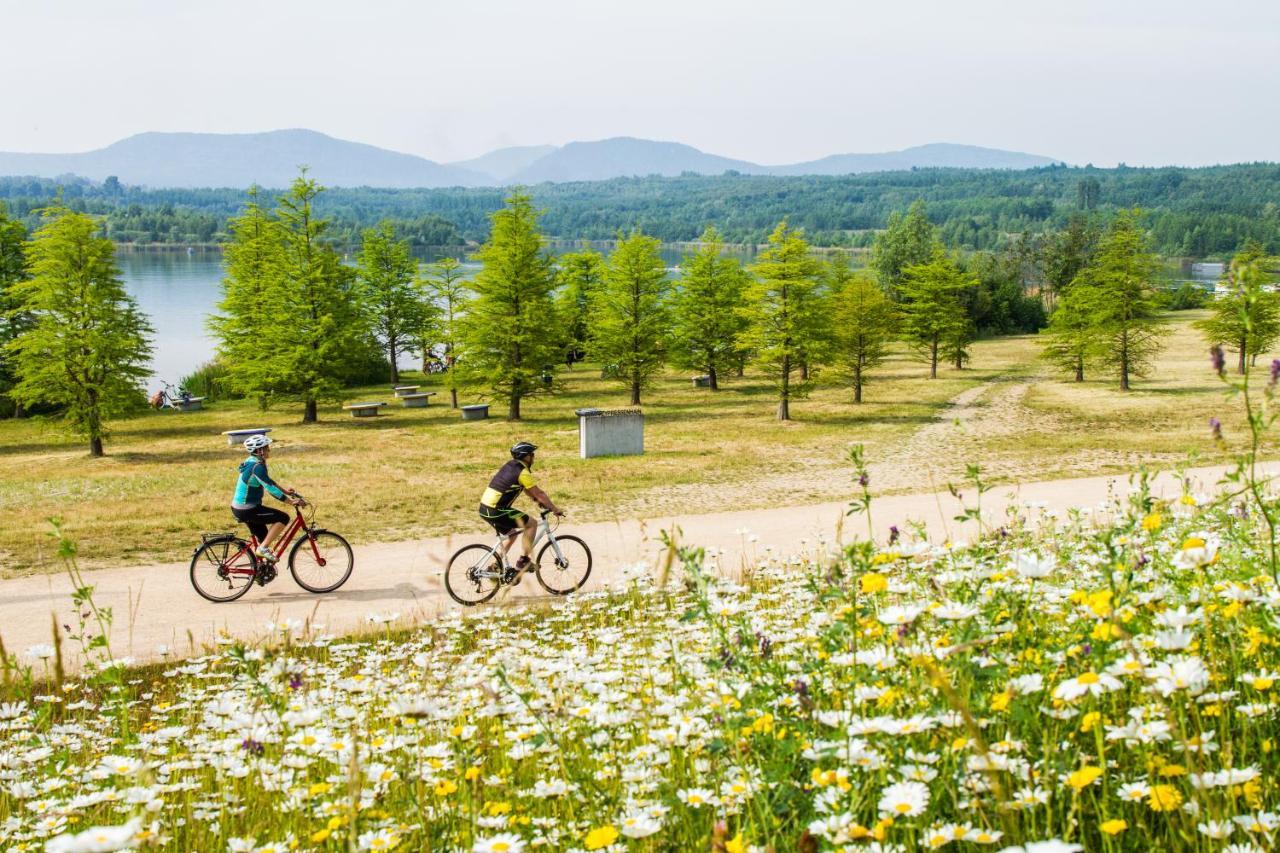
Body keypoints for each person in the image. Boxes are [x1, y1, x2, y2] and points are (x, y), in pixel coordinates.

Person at [479, 441, 563, 581]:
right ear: (526, 457)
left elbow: (527, 490)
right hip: (496, 510)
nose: (533, 457)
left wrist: (538, 502)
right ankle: (523, 560)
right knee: (532, 524)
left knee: (511, 535)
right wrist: (554, 509)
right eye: (532, 454)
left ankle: (495, 566)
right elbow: (539, 493)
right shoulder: (522, 472)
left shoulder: (510, 466)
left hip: (485, 508)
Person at [231, 435, 303, 561]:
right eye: (267, 448)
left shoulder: (253, 461)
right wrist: (290, 502)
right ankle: (262, 549)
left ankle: (259, 571)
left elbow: (268, 481)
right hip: (247, 509)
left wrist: (285, 491)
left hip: (242, 507)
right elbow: (270, 488)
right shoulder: (257, 467)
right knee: (283, 518)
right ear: (259, 451)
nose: (269, 450)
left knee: (265, 538)